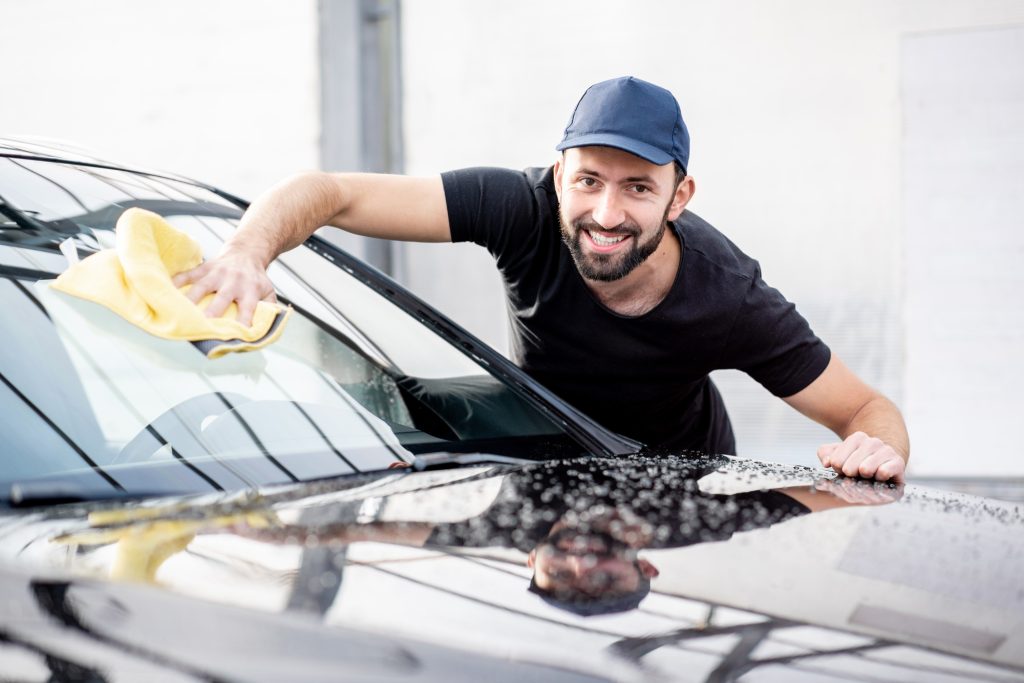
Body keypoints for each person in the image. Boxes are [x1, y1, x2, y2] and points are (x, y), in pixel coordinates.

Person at [173, 76, 909, 482]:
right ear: (559, 175)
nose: (605, 211)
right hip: (543, 436)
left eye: (638, 188)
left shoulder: (728, 294)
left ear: (679, 198)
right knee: (375, 383)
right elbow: (326, 189)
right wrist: (246, 252)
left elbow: (868, 409)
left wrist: (876, 448)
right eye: (587, 180)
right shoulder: (519, 207)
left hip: (673, 482)